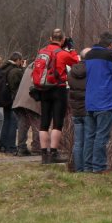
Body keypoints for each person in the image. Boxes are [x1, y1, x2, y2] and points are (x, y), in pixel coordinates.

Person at [83, 32, 112, 173]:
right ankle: (99, 167)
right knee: (101, 136)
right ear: (111, 44)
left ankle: (87, 166)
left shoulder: (89, 55)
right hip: (105, 101)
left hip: (90, 101)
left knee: (89, 136)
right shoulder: (110, 56)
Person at [36, 29, 80, 164]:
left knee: (44, 122)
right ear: (62, 40)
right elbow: (76, 62)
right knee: (57, 122)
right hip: (58, 89)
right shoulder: (62, 54)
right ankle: (53, 153)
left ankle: (44, 155)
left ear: (50, 38)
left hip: (43, 89)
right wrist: (71, 48)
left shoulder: (41, 52)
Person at [67, 50, 91, 172]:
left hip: (76, 110)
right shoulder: (91, 71)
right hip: (87, 109)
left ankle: (78, 168)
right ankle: (87, 168)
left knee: (78, 142)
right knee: (88, 141)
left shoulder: (71, 72)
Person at [11, 60, 41, 157]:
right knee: (37, 123)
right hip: (32, 99)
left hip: (21, 99)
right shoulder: (42, 67)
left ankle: (21, 148)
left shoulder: (29, 67)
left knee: (22, 124)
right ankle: (37, 148)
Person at [0, 53, 25, 154]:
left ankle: (3, 145)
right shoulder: (15, 70)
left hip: (4, 99)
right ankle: (11, 147)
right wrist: (22, 68)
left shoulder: (4, 68)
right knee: (13, 122)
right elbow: (21, 82)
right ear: (17, 60)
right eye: (20, 61)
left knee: (6, 122)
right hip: (12, 99)